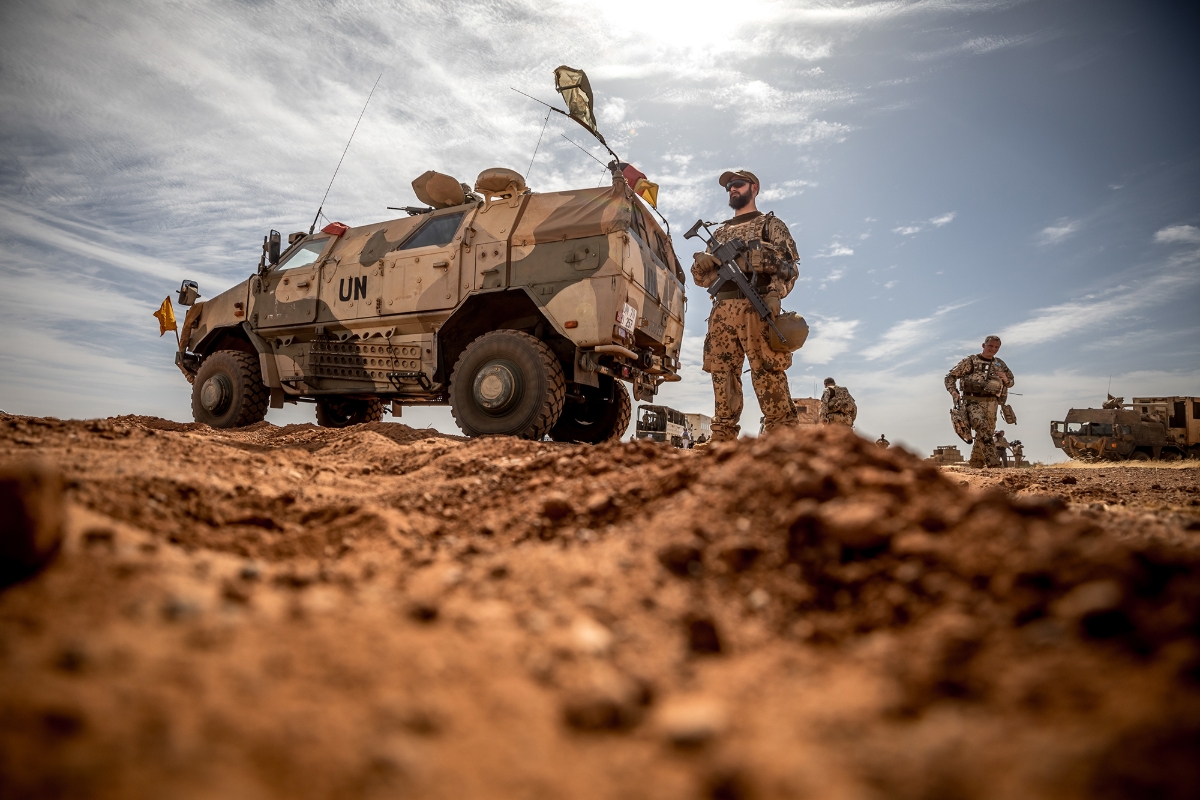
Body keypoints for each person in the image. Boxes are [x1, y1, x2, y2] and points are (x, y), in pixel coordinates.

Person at [691, 169, 800, 442]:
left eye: (737, 184)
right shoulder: (720, 231)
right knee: (722, 374)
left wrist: (775, 294)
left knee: (767, 371)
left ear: (754, 187)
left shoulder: (770, 225)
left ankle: (782, 440)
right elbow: (701, 279)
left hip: (757, 304)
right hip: (722, 310)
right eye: (728, 186)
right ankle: (723, 438)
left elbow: (789, 268)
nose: (732, 189)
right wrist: (702, 263)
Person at [945, 335, 1015, 468]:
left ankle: (976, 464)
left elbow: (1011, 382)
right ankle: (994, 464)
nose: (993, 349)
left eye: (996, 347)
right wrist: (954, 392)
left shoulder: (999, 364)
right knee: (983, 429)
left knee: (985, 433)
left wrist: (1006, 379)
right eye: (990, 346)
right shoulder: (970, 361)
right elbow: (950, 377)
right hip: (972, 401)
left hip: (992, 404)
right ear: (983, 346)